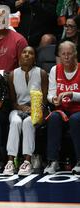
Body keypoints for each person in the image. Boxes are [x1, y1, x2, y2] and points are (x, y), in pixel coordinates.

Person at [3, 46, 48, 176]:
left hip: (37, 109)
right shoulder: (13, 74)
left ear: (35, 58)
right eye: (24, 52)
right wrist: (21, 107)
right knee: (16, 121)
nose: (27, 55)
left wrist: (35, 109)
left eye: (31, 53)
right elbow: (12, 101)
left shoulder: (42, 73)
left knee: (28, 122)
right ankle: (10, 161)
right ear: (19, 57)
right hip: (18, 109)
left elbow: (45, 100)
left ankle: (27, 162)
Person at [44, 40, 80, 174]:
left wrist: (72, 95)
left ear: (75, 54)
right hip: (62, 110)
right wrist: (53, 99)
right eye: (63, 54)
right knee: (53, 117)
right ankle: (53, 161)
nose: (66, 57)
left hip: (78, 111)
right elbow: (50, 94)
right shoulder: (55, 70)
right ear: (59, 55)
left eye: (69, 53)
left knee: (76, 120)